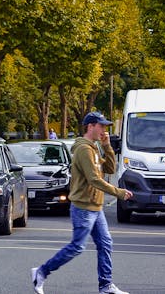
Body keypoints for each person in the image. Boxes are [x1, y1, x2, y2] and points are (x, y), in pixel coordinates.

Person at [31, 111, 133, 294]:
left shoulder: (93, 148)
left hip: (96, 207)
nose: (104, 130)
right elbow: (94, 179)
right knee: (77, 246)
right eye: (101, 126)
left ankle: (106, 286)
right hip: (83, 208)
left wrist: (107, 146)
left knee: (105, 244)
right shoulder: (84, 150)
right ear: (90, 126)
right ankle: (41, 272)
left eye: (105, 127)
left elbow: (109, 168)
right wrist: (119, 193)